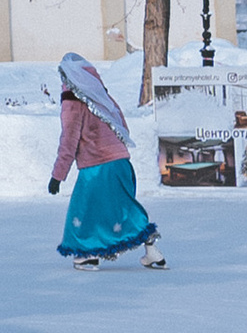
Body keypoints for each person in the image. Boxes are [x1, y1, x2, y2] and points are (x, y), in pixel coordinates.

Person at [49, 51, 166, 270]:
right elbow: (121, 122)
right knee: (122, 209)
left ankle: (87, 254)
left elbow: (69, 140)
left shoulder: (72, 101)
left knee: (82, 212)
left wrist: (57, 176)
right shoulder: (100, 94)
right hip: (120, 163)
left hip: (97, 167)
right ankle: (152, 250)